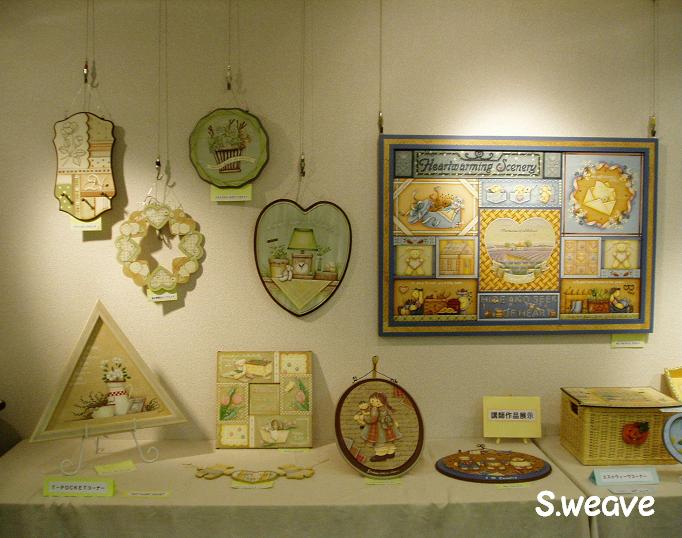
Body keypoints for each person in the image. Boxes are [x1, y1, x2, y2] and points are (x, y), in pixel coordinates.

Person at [359, 392, 402, 462]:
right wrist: (394, 422)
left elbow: (372, 419)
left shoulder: (374, 409)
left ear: (383, 402)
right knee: (388, 440)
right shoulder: (385, 407)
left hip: (379, 428)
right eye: (372, 400)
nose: (374, 402)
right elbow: (390, 415)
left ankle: (381, 455)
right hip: (388, 426)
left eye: (377, 401)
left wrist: (364, 418)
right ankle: (390, 453)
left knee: (380, 441)